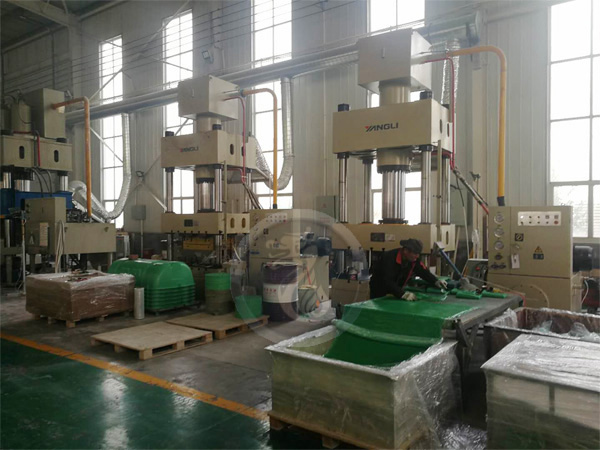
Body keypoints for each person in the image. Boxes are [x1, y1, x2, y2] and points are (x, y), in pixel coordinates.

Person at [370, 238, 447, 301]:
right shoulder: (389, 258)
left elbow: (423, 271)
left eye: (418, 254)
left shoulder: (413, 260)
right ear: (406, 251)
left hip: (395, 292)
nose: (417, 256)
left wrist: (435, 281)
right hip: (379, 292)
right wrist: (402, 294)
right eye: (415, 253)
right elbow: (387, 280)